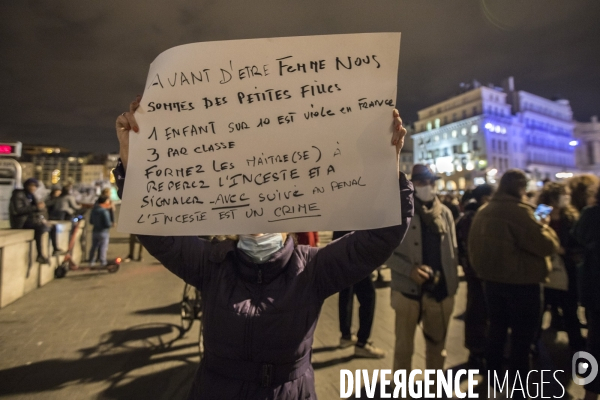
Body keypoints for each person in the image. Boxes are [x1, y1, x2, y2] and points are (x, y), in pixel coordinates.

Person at [114, 98, 413, 399]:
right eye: (248, 198)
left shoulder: (312, 269)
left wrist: (388, 171)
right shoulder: (212, 264)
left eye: (270, 201)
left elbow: (379, 239)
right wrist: (132, 163)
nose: (258, 211)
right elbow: (155, 232)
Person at [468, 169, 560, 384]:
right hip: (522, 284)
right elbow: (547, 245)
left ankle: (493, 378)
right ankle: (519, 387)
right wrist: (545, 226)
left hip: (491, 282)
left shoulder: (484, 210)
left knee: (496, 331)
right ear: (521, 188)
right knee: (522, 339)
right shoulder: (520, 212)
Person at [386, 164, 458, 372]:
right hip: (407, 292)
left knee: (437, 348)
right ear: (412, 185)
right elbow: (385, 253)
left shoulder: (444, 212)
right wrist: (409, 270)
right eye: (421, 182)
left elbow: (452, 251)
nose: (427, 186)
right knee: (403, 349)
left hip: (439, 292)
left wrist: (451, 288)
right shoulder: (398, 212)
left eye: (431, 182)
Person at [537, 182, 585, 352]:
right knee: (539, 310)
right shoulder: (541, 212)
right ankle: (534, 345)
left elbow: (579, 242)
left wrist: (567, 250)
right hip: (545, 269)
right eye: (562, 194)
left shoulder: (571, 216)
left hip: (567, 268)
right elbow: (533, 233)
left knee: (570, 309)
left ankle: (577, 346)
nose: (566, 198)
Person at [455, 183, 494, 368]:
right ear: (485, 198)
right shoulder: (477, 217)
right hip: (480, 272)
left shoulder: (470, 216)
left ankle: (478, 349)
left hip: (475, 271)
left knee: (477, 310)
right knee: (478, 311)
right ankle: (478, 350)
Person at [333, 230, 385, 359]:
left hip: (341, 246)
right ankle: (362, 343)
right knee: (368, 296)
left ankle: (346, 335)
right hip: (357, 250)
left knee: (346, 291)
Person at [573, 185, 600, 400]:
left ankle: (590, 393)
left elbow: (576, 237)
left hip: (593, 287)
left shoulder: (590, 215)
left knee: (594, 341)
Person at [9, 178, 62, 264]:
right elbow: (18, 211)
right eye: (31, 186)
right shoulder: (18, 194)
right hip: (20, 222)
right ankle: (40, 255)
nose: (33, 188)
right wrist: (36, 207)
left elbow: (36, 210)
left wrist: (42, 217)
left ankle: (55, 249)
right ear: (26, 186)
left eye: (35, 186)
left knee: (52, 227)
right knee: (41, 228)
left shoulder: (31, 196)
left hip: (30, 220)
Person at [89, 195, 112, 266]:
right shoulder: (104, 211)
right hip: (103, 231)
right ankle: (103, 261)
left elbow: (91, 221)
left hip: (95, 230)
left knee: (94, 246)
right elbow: (107, 223)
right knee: (103, 247)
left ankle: (91, 261)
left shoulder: (94, 210)